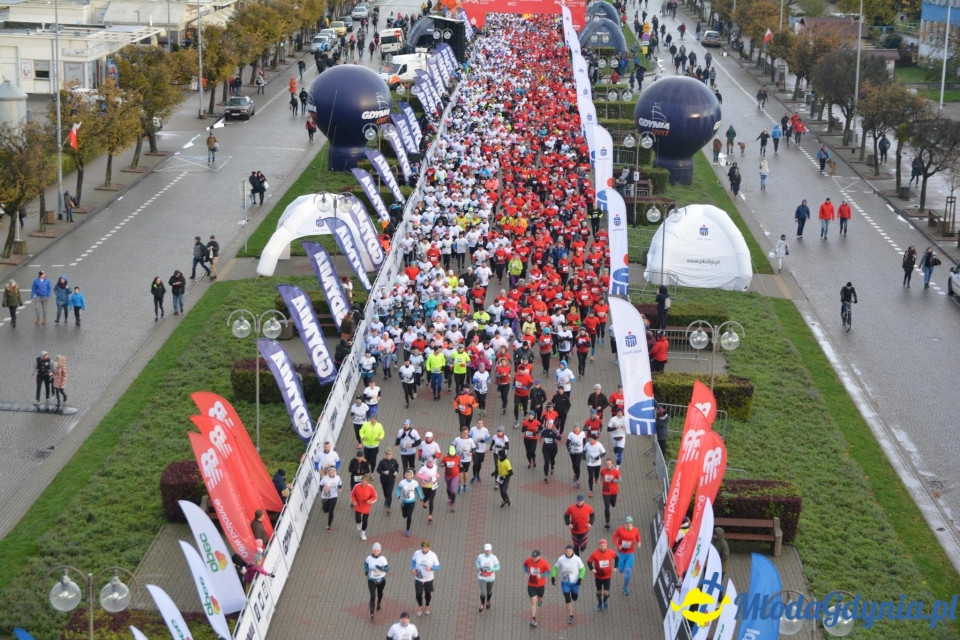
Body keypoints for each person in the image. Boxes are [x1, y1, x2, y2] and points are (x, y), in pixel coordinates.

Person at [551, 545, 586, 625]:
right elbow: (555, 567)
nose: (568, 553)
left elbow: (583, 569)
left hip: (575, 583)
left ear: (573, 551)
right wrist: (553, 577)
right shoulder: (561, 559)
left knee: (574, 597)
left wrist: (580, 578)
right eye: (567, 551)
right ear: (565, 551)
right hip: (565, 583)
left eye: (570, 551)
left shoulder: (577, 559)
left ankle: (574, 596)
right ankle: (571, 615)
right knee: (567, 598)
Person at [612, 516, 642, 594]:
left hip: (630, 553)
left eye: (630, 523)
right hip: (621, 553)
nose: (628, 524)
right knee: (621, 570)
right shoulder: (620, 530)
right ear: (625, 523)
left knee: (628, 570)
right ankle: (622, 568)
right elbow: (614, 538)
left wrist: (639, 542)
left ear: (632, 523)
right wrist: (618, 545)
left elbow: (638, 536)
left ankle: (625, 588)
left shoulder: (635, 530)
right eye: (627, 523)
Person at [587, 538, 618, 611]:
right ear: (599, 546)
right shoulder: (595, 553)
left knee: (606, 592)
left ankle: (605, 601)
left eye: (604, 545)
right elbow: (589, 562)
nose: (603, 547)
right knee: (598, 591)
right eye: (601, 546)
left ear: (606, 545)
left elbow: (617, 558)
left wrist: (615, 567)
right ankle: (599, 602)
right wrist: (592, 569)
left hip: (607, 576)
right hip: (598, 576)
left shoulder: (610, 552)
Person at [522, 549, 551, 628]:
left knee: (540, 598)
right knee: (533, 601)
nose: (534, 558)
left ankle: (540, 600)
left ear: (539, 556)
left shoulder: (544, 562)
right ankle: (533, 619)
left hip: (540, 585)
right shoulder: (528, 560)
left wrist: (541, 575)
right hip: (531, 584)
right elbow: (524, 565)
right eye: (533, 557)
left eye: (535, 557)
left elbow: (549, 572)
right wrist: (526, 572)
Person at [411, 540, 440, 616]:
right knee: (418, 594)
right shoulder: (417, 553)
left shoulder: (433, 555)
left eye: (426, 548)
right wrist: (413, 569)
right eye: (423, 548)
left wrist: (431, 568)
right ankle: (420, 606)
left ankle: (427, 606)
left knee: (428, 594)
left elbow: (437, 567)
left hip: (428, 579)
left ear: (428, 548)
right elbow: (413, 561)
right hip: (418, 578)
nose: (424, 550)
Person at [363, 542, 389, 620]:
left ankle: (379, 603)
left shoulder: (383, 559)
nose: (376, 552)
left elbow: (387, 569)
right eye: (374, 550)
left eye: (377, 550)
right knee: (373, 596)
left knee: (380, 593)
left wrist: (381, 568)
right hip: (371, 580)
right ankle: (372, 612)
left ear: (380, 551)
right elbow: (365, 565)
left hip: (381, 580)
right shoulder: (369, 558)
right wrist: (367, 571)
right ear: (372, 550)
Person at [396, 468, 424, 536]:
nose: (408, 476)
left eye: (409, 475)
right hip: (403, 501)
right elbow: (397, 490)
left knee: (409, 516)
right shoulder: (402, 482)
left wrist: (421, 497)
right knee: (404, 515)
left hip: (412, 501)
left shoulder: (415, 482)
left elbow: (418, 490)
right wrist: (398, 496)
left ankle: (407, 530)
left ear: (412, 476)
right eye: (407, 475)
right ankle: (403, 512)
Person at [350, 473, 378, 540]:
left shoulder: (371, 488)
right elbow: (352, 495)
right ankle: (358, 523)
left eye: (365, 481)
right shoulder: (356, 486)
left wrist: (370, 501)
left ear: (368, 482)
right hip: (358, 505)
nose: (363, 482)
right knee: (358, 519)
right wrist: (353, 501)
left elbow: (375, 497)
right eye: (362, 481)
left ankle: (363, 533)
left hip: (366, 507)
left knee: (365, 521)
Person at [476, 543, 501, 612]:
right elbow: (477, 562)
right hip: (482, 577)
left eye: (489, 550)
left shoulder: (494, 558)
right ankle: (482, 604)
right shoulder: (480, 556)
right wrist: (479, 567)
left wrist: (492, 569)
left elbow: (498, 567)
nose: (488, 552)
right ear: (484, 550)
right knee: (483, 593)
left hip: (490, 577)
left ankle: (488, 601)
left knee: (489, 592)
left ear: (491, 550)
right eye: (486, 550)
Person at [319, 465, 342, 531]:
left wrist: (340, 488)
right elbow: (320, 485)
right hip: (325, 496)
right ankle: (325, 508)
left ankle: (329, 525)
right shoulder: (325, 478)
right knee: (325, 510)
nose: (331, 474)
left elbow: (340, 484)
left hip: (334, 496)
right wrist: (323, 489)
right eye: (330, 473)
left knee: (331, 510)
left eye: (333, 472)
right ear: (328, 473)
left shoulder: (337, 478)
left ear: (335, 472)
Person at [377, 448, 400, 515]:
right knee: (385, 492)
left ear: (391, 455)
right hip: (383, 479)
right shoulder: (382, 462)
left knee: (389, 492)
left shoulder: (394, 461)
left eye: (389, 455)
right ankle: (386, 499)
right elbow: (378, 470)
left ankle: (388, 507)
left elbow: (397, 467)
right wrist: (383, 472)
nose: (388, 456)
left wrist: (396, 471)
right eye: (387, 455)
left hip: (391, 479)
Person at [416, 457, 439, 522]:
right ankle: (424, 501)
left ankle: (430, 515)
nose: (430, 463)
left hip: (433, 485)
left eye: (431, 462)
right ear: (426, 462)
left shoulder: (435, 466)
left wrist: (437, 475)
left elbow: (435, 472)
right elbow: (418, 475)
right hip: (425, 485)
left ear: (433, 462)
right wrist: (425, 477)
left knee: (431, 500)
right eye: (429, 462)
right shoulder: (423, 468)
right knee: (426, 496)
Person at [600, 458, 620, 528]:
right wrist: (600, 480)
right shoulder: (603, 470)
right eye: (607, 464)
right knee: (606, 508)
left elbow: (620, 479)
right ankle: (607, 522)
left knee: (613, 504)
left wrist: (614, 480)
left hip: (614, 491)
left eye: (609, 464)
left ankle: (612, 503)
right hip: (605, 491)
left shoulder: (616, 471)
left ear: (612, 464)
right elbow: (601, 476)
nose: (608, 465)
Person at [440, 445, 461, 511]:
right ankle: (449, 497)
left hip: (455, 475)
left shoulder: (457, 457)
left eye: (453, 454)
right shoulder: (445, 458)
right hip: (447, 475)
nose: (452, 455)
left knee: (453, 489)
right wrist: (444, 465)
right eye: (451, 454)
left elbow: (459, 463)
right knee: (448, 488)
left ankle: (452, 504)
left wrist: (461, 467)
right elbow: (440, 464)